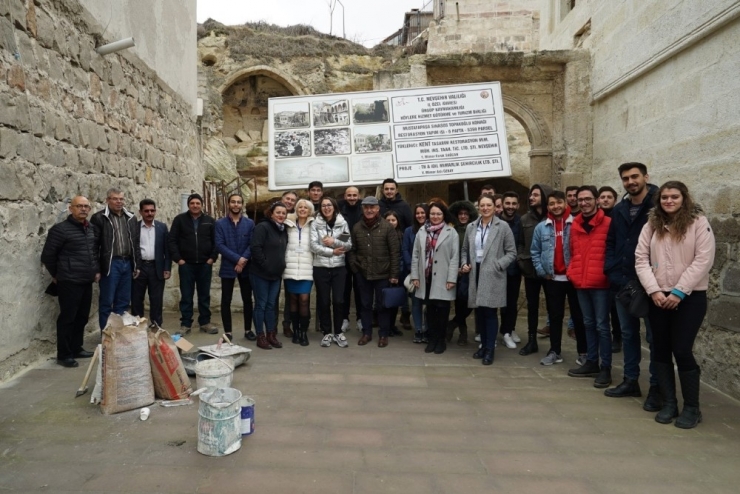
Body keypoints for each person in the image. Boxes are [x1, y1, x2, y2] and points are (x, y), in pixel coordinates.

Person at [636, 181, 714, 429]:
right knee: (659, 349)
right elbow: (640, 259)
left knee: (681, 349)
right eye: (665, 197)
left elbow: (703, 260)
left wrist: (679, 291)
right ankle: (670, 402)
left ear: (684, 198)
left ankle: (692, 407)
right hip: (659, 296)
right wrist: (654, 290)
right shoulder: (652, 224)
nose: (669, 201)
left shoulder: (698, 223)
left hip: (690, 296)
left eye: (674, 197)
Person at [603, 163, 662, 410]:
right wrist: (611, 269)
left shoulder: (659, 205)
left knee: (654, 337)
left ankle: (658, 388)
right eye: (625, 178)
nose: (630, 181)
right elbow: (612, 242)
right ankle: (631, 380)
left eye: (634, 176)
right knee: (627, 334)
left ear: (646, 177)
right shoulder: (620, 209)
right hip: (623, 281)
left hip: (651, 283)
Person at [41, 196, 100, 368]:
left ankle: (76, 348)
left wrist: (95, 270)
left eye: (86, 206)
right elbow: (47, 256)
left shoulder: (91, 229)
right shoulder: (60, 230)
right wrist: (57, 274)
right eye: (79, 206)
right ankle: (64, 354)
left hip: (86, 280)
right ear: (71, 209)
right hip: (69, 281)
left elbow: (93, 252)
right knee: (68, 318)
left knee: (82, 317)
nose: (83, 209)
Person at [460, 194, 516, 365]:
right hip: (475, 272)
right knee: (480, 312)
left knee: (490, 312)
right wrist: (464, 264)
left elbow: (512, 252)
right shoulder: (471, 227)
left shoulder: (503, 226)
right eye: (482, 205)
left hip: (492, 274)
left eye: (488, 205)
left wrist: (498, 265)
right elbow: (464, 250)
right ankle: (483, 346)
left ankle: (490, 349)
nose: (485, 208)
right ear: (478, 208)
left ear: (494, 207)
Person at [531, 191, 585, 366]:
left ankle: (583, 352)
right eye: (552, 203)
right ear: (548, 207)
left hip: (573, 278)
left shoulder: (576, 223)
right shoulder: (541, 227)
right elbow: (535, 251)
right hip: (553, 279)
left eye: (559, 202)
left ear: (566, 203)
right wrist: (541, 271)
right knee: (555, 316)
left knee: (579, 316)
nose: (556, 206)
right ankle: (555, 351)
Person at [566, 186, 613, 388]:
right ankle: (592, 362)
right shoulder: (575, 224)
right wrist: (572, 272)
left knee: (602, 326)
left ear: (596, 200)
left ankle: (606, 368)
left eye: (587, 199)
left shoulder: (609, 223)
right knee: (587, 323)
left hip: (601, 283)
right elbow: (572, 251)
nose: (583, 203)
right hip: (581, 281)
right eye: (580, 199)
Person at [347, 196, 400, 348]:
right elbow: (351, 250)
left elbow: (394, 252)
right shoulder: (357, 227)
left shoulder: (387, 227)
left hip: (383, 273)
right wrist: (355, 268)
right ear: (362, 209)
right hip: (363, 273)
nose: (369, 210)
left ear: (378, 209)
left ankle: (383, 334)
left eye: (372, 207)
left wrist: (394, 274)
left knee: (382, 306)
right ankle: (367, 333)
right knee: (365, 305)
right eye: (366, 207)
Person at [410, 202, 459, 355]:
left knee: (442, 311)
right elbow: (415, 255)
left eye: (438, 214)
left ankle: (441, 340)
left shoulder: (451, 232)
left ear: (443, 214)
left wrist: (452, 278)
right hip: (426, 277)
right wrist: (415, 276)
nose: (435, 217)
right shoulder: (421, 232)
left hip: (444, 278)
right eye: (432, 214)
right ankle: (431, 339)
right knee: (430, 310)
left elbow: (454, 257)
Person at [90, 187, 141, 330]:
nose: (119, 202)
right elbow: (93, 245)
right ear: (107, 200)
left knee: (123, 302)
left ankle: (118, 336)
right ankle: (106, 337)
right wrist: (96, 269)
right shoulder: (99, 218)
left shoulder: (131, 218)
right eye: (115, 199)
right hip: (111, 264)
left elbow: (135, 243)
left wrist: (137, 265)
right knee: (107, 301)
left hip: (127, 263)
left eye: (121, 199)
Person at [168, 193, 219, 335]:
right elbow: (172, 241)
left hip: (205, 264)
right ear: (188, 205)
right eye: (192, 203)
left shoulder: (209, 221)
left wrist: (212, 258)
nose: (195, 206)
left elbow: (216, 241)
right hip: (186, 265)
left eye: (198, 203)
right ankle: (185, 324)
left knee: (204, 295)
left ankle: (205, 322)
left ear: (202, 205)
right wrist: (179, 259)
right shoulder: (179, 220)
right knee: (186, 295)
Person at [311, 196, 352, 348]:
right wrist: (332, 252)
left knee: (339, 300)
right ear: (320, 208)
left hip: (339, 267)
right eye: (323, 205)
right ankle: (326, 332)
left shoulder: (342, 223)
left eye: (329, 205)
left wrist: (333, 242)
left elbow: (348, 244)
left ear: (334, 207)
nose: (326, 208)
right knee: (323, 300)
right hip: (321, 266)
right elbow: (313, 246)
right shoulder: (316, 224)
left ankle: (338, 332)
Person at [517, 183, 553, 355]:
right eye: (531, 195)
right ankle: (531, 340)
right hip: (530, 269)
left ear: (545, 197)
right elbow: (520, 243)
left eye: (536, 195)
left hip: (550, 272)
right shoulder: (524, 219)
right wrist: (521, 260)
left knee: (553, 307)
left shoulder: (553, 218)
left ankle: (555, 344)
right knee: (532, 306)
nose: (531, 197)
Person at [215, 194, 255, 343]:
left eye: (238, 202)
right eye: (233, 202)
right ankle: (228, 332)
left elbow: (252, 244)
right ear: (228, 204)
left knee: (247, 299)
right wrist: (237, 259)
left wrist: (243, 260)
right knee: (226, 300)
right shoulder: (220, 224)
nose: (236, 204)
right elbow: (219, 245)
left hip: (246, 266)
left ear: (242, 205)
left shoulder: (250, 223)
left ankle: (248, 330)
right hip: (228, 266)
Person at [250, 201, 289, 349]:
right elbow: (255, 248)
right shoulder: (263, 227)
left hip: (276, 275)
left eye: (283, 213)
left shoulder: (283, 230)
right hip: (260, 273)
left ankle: (271, 334)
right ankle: (260, 336)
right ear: (271, 213)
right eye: (278, 212)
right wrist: (266, 265)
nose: (281, 215)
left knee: (272, 305)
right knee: (261, 304)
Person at [131, 199, 170, 328]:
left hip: (156, 267)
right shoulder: (134, 227)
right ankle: (138, 327)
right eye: (146, 211)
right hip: (139, 268)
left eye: (152, 210)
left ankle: (156, 327)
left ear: (155, 211)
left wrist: (167, 268)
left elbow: (167, 249)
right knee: (136, 299)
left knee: (156, 300)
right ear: (140, 212)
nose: (149, 213)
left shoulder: (162, 227)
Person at [283, 199, 315, 346]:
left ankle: (303, 331)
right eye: (300, 207)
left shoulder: (314, 225)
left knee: (304, 299)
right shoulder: (287, 225)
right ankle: (295, 331)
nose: (302, 209)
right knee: (293, 300)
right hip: (290, 267)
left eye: (305, 207)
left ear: (310, 211)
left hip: (306, 268)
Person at [446, 200, 478, 345]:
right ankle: (463, 334)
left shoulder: (474, 230)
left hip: (469, 270)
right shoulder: (452, 230)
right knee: (459, 302)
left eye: (466, 214)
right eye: (460, 214)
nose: (463, 216)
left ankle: (452, 324)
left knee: (467, 303)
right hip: (455, 270)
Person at [597, 185, 622, 352]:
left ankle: (617, 337)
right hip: (597, 267)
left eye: (609, 197)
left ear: (615, 200)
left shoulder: (618, 217)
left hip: (614, 268)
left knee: (615, 307)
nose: (605, 199)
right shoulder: (594, 218)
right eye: (603, 197)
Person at [499, 191, 524, 349]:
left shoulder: (521, 222)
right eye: (507, 203)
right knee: (494, 302)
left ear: (518, 205)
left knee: (511, 303)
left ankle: (508, 331)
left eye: (514, 204)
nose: (510, 207)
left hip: (514, 269)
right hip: (497, 269)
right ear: (502, 204)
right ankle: (496, 331)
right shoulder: (495, 221)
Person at [338, 186, 363, 332]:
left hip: (360, 255)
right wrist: (344, 244)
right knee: (344, 290)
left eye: (354, 195)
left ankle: (360, 319)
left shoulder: (364, 209)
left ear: (358, 196)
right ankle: (344, 318)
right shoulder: (340, 209)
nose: (352, 198)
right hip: (344, 254)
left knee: (360, 289)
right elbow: (341, 230)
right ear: (345, 196)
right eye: (349, 195)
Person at [405, 204, 431, 343]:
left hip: (429, 273)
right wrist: (412, 269)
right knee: (416, 303)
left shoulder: (432, 230)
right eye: (418, 213)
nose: (420, 215)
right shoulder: (409, 231)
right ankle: (418, 330)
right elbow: (405, 251)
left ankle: (427, 329)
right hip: (415, 273)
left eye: (423, 213)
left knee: (428, 304)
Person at [383, 210, 405, 337]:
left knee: (395, 300)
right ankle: (387, 326)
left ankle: (392, 325)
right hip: (386, 272)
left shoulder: (401, 234)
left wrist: (397, 272)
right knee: (386, 301)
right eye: (388, 220)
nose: (391, 223)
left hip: (399, 271)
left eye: (393, 220)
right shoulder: (382, 235)